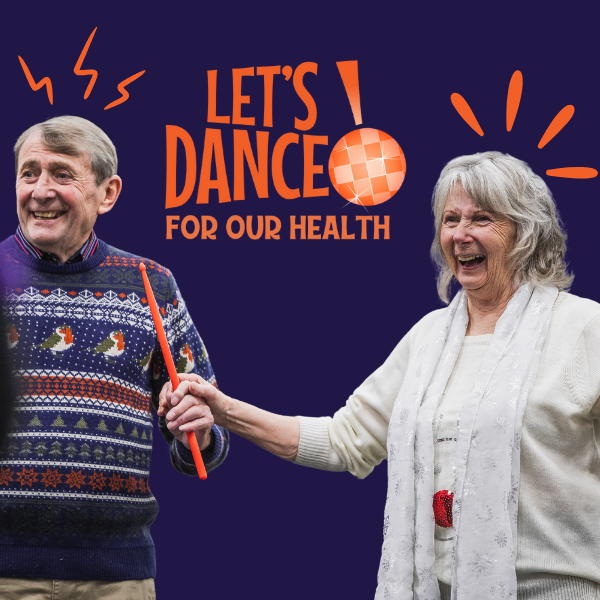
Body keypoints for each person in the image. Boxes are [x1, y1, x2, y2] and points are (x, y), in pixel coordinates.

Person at [161, 152, 600, 599]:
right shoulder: (429, 338)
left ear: (526, 232)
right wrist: (223, 409)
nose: (461, 235)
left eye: (481, 219)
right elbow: (343, 440)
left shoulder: (583, 328)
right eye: (450, 219)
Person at [0, 116, 229, 599]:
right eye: (29, 173)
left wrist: (200, 432)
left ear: (107, 193)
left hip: (117, 575)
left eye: (62, 174)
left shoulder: (152, 284)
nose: (41, 190)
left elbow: (205, 434)